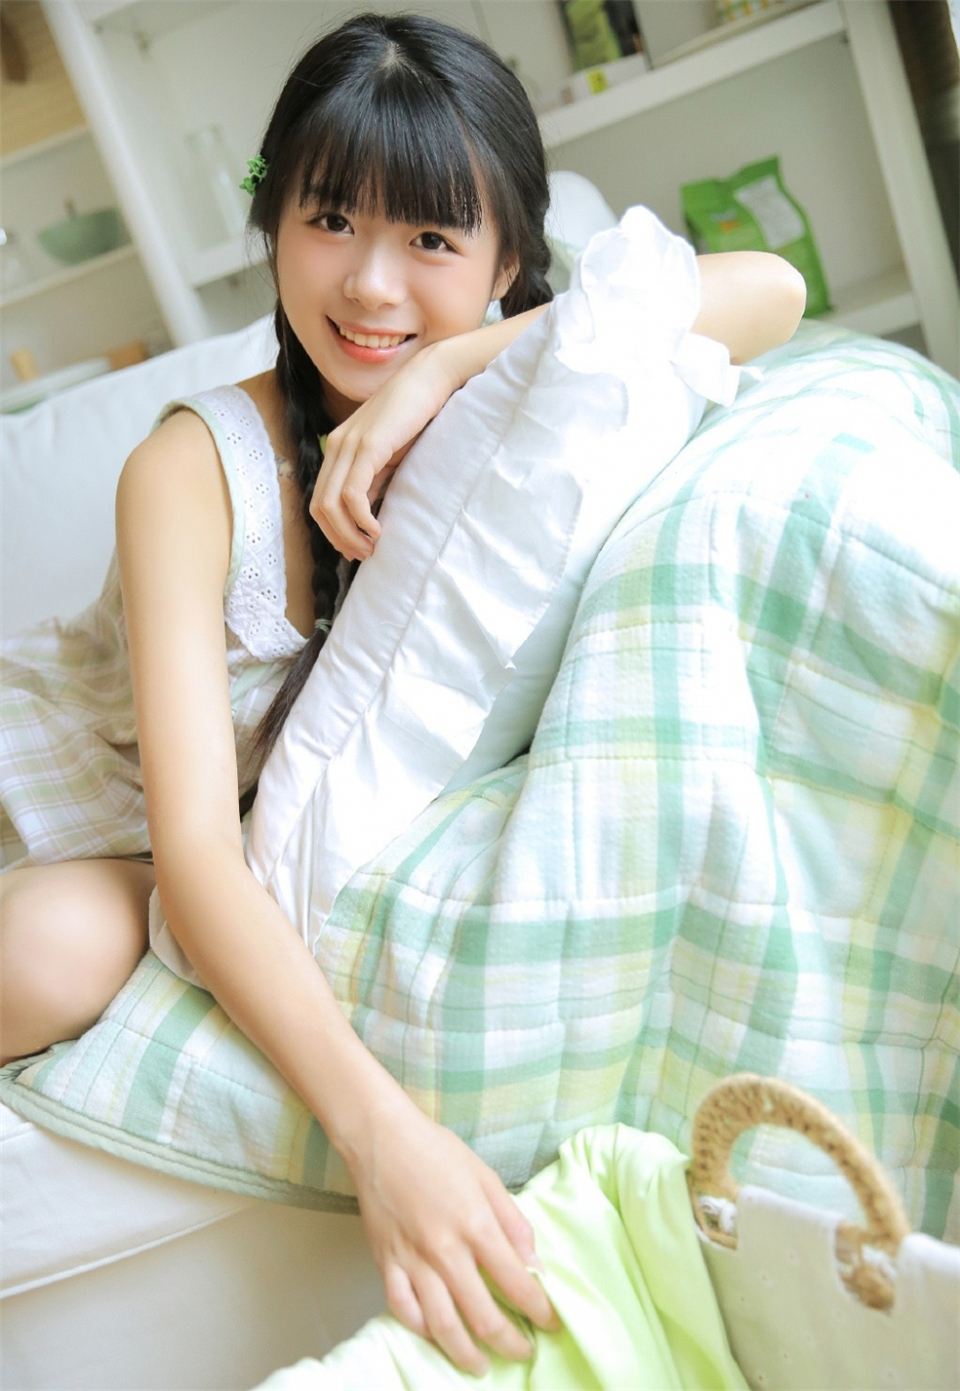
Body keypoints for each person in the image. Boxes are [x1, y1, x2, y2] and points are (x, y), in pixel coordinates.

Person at [0, 10, 805, 1374]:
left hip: (188, 837)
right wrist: (385, 1138)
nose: (371, 285)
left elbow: (770, 289)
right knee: (50, 953)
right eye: (330, 220)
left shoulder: (516, 392)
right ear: (274, 225)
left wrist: (446, 363)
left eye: (431, 238)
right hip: (76, 800)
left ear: (507, 262)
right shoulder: (188, 468)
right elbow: (196, 855)